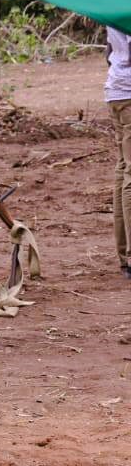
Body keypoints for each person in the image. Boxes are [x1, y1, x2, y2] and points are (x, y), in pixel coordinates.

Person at [105, 26, 131, 279]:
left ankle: (124, 256)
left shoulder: (113, 8)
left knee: (123, 169)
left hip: (116, 90)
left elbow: (109, 50)